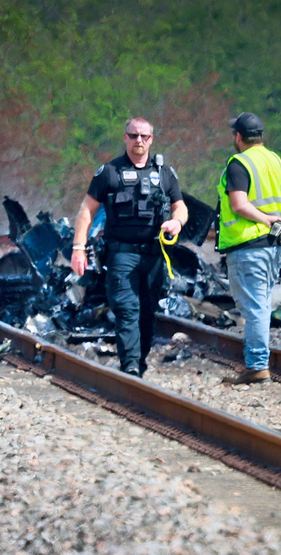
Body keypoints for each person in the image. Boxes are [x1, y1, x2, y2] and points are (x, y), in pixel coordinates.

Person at [71, 117, 188, 377]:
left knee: (147, 314)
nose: (139, 141)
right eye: (133, 135)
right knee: (126, 310)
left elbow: (180, 206)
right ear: (125, 137)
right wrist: (78, 247)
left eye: (144, 136)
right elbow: (87, 211)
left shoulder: (164, 174)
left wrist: (177, 222)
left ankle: (139, 360)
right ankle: (130, 365)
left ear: (151, 140)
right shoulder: (109, 173)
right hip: (121, 254)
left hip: (154, 255)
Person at [217, 112, 281, 385]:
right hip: (274, 244)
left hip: (249, 244)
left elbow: (239, 204)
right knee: (262, 304)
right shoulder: (274, 159)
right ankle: (258, 362)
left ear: (238, 137)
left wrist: (264, 219)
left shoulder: (239, 163)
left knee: (255, 308)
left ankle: (257, 366)